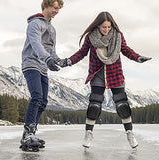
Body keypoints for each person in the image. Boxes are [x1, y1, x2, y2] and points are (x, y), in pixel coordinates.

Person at [59, 11, 151, 149]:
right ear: (98, 26)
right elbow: (82, 53)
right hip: (97, 73)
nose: (106, 30)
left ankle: (130, 134)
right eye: (103, 27)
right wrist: (69, 61)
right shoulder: (91, 37)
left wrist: (138, 58)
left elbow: (125, 50)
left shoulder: (118, 36)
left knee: (122, 104)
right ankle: (88, 133)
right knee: (95, 104)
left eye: (108, 27)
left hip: (115, 73)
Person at [20, 0, 64, 151]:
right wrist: (48, 59)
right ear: (46, 5)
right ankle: (28, 133)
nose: (56, 11)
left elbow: (52, 50)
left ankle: (30, 133)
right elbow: (36, 44)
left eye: (58, 8)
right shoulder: (34, 24)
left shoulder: (52, 29)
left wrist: (59, 61)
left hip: (43, 67)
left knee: (43, 102)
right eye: (54, 7)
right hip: (31, 63)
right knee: (37, 96)